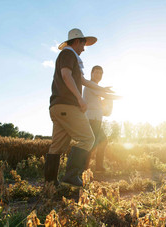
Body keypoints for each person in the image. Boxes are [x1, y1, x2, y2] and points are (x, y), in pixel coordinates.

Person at [45, 28, 112, 187]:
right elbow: (66, 76)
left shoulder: (68, 56)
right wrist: (79, 98)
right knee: (88, 139)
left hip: (57, 107)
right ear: (76, 42)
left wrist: (101, 89)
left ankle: (50, 183)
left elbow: (81, 80)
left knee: (57, 145)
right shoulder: (68, 54)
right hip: (68, 105)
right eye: (83, 44)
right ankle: (71, 176)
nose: (84, 48)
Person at [83, 65, 121, 171]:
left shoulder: (95, 88)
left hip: (96, 119)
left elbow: (100, 103)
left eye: (100, 73)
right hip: (92, 119)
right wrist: (122, 97)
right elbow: (107, 96)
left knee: (103, 141)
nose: (98, 75)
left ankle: (98, 166)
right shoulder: (91, 85)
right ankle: (85, 168)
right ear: (91, 73)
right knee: (92, 143)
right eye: (96, 72)